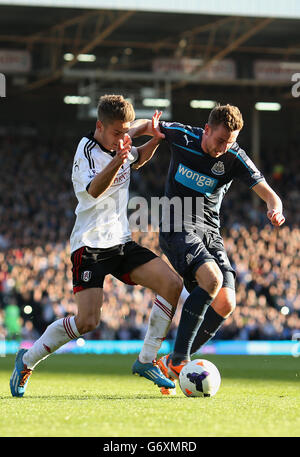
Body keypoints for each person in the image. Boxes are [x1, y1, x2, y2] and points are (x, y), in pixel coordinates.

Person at [10, 95, 183, 398]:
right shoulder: (86, 151)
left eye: (126, 132)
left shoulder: (121, 143)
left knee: (172, 283)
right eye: (117, 133)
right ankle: (26, 360)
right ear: (99, 126)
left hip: (121, 242)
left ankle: (147, 359)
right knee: (88, 321)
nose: (122, 138)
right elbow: (92, 192)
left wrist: (154, 138)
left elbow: (137, 158)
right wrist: (120, 157)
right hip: (89, 246)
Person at [129, 103, 285, 391]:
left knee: (226, 303)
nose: (223, 148)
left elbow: (270, 195)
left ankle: (168, 361)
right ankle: (180, 359)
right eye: (220, 140)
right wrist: (127, 133)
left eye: (230, 142)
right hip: (176, 225)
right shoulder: (184, 136)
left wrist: (275, 209)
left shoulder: (234, 156)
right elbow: (148, 125)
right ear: (208, 129)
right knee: (211, 280)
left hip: (209, 233)